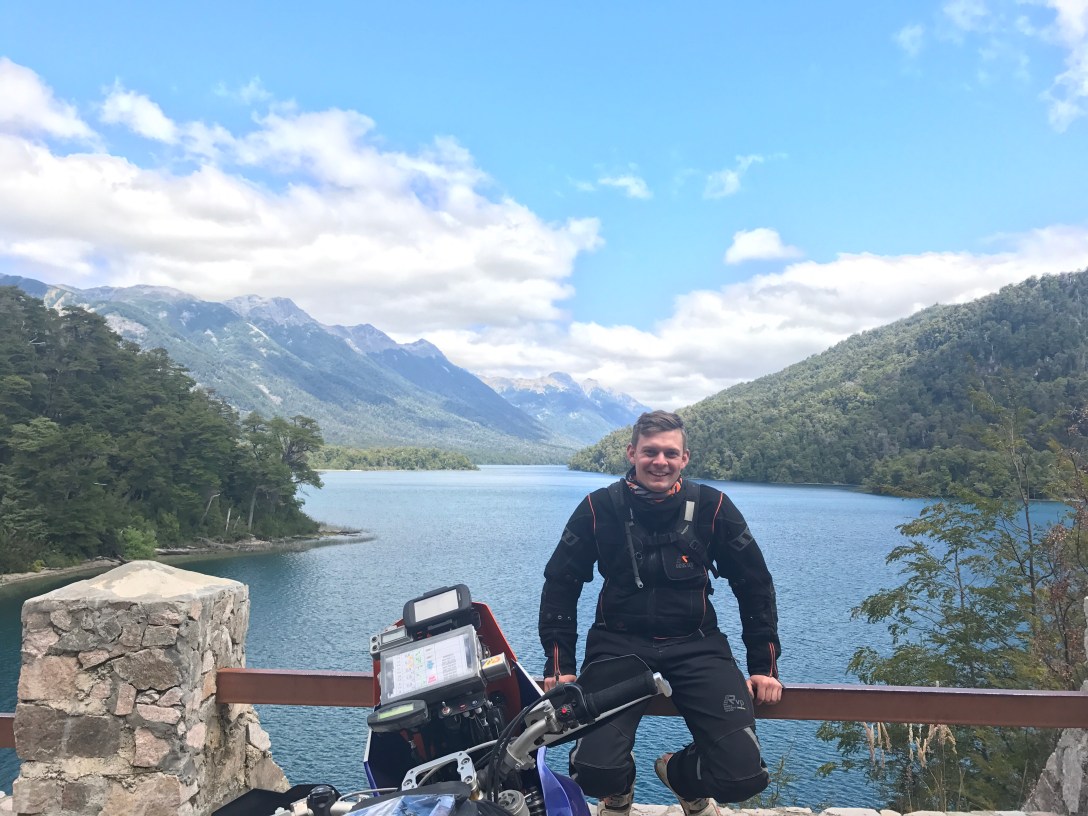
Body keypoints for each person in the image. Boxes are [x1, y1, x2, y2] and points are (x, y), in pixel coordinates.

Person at [538, 410, 782, 816]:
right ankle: (618, 787)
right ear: (631, 453)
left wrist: (764, 666)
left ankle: (681, 775)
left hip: (697, 646)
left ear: (685, 458)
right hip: (617, 646)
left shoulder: (713, 507)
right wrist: (560, 664)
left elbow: (754, 584)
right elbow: (561, 583)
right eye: (650, 451)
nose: (660, 461)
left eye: (671, 453)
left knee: (743, 775)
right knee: (593, 771)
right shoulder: (599, 508)